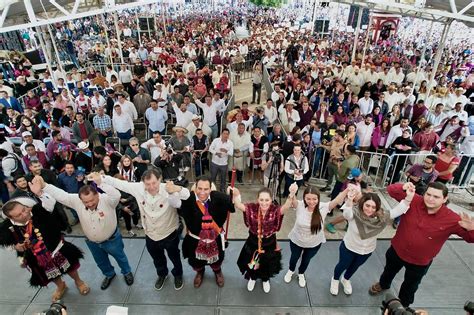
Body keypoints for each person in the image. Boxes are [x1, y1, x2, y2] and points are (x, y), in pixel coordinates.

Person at [369, 182, 474, 308]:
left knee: (410, 285)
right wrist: (403, 186)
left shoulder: (453, 218)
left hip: (419, 263)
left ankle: (403, 305)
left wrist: (471, 229)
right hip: (397, 251)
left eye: (436, 197)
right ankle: (383, 284)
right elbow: (391, 190)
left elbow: (470, 239)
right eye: (428, 194)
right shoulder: (414, 200)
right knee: (388, 271)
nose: (430, 199)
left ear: (445, 199)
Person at [96, 169, 190, 291]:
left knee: (174, 257)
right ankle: (162, 275)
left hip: (169, 233)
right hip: (150, 234)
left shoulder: (168, 188)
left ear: (160, 179)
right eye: (147, 184)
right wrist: (101, 179)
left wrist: (177, 189)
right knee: (157, 258)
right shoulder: (138, 188)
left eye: (154, 183)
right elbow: (119, 183)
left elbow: (187, 194)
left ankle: (178, 275)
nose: (151, 187)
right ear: (143, 183)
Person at [0, 177, 89, 302]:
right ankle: (61, 286)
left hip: (57, 248)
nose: (24, 214)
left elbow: (50, 203)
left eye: (24, 210)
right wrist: (16, 247)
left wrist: (39, 193)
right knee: (50, 274)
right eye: (19, 215)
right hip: (36, 256)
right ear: (10, 217)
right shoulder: (7, 228)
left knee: (70, 266)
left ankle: (79, 282)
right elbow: (5, 243)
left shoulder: (37, 210)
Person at [41, 175, 134, 291]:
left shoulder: (108, 200)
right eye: (85, 202)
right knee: (100, 262)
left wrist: (101, 182)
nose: (89, 204)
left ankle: (127, 272)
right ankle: (109, 274)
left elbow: (116, 195)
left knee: (121, 257)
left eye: (92, 200)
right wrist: (44, 186)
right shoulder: (76, 201)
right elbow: (61, 195)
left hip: (112, 240)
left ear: (97, 195)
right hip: (92, 243)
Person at [331, 186, 415, 296]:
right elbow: (347, 214)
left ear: (378, 207)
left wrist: (408, 198)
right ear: (362, 204)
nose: (370, 209)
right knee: (342, 265)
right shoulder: (354, 212)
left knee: (354, 267)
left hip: (367, 250)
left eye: (373, 207)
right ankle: (335, 279)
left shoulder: (382, 216)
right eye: (367, 205)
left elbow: (398, 210)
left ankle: (346, 279)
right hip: (349, 247)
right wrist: (350, 200)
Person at [231, 183, 298, 293]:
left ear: (271, 200)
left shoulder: (275, 210)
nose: (264, 203)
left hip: (269, 243)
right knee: (252, 262)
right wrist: (236, 194)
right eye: (261, 200)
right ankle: (252, 278)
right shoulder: (252, 208)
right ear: (257, 199)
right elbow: (239, 205)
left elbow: (286, 207)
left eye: (267, 200)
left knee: (267, 264)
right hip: (253, 241)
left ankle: (265, 279)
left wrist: (291, 193)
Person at [284, 186, 348, 288]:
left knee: (306, 260)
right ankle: (291, 270)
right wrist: (292, 192)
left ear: (318, 198)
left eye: (314, 199)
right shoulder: (300, 205)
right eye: (308, 198)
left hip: (314, 243)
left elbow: (336, 200)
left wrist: (347, 189)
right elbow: (292, 199)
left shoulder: (323, 207)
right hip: (297, 239)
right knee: (294, 257)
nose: (311, 202)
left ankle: (301, 273)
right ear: (304, 198)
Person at [178, 176, 235, 288]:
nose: (202, 192)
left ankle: (217, 272)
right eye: (200, 188)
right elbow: (176, 204)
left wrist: (235, 195)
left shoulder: (219, 199)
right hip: (195, 239)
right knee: (196, 260)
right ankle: (200, 272)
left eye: (206, 189)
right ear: (195, 188)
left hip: (214, 238)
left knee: (216, 260)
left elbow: (232, 207)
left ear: (210, 189)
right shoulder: (188, 200)